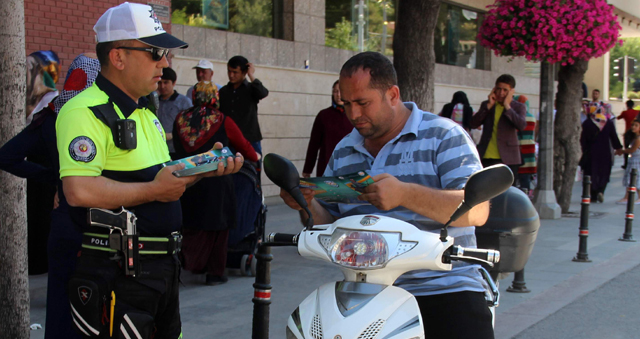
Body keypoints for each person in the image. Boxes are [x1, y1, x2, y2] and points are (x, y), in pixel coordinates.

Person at [56, 3, 242, 338]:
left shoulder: (146, 114)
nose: (164, 63)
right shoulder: (83, 110)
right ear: (118, 57)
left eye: (166, 54)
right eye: (155, 52)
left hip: (162, 270)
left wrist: (202, 168)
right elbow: (78, 189)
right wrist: (154, 191)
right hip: (118, 274)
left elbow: (161, 179)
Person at [280, 52, 492, 339]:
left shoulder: (444, 136)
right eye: (346, 104)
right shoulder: (344, 149)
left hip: (443, 288)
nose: (353, 114)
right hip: (363, 292)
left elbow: (477, 211)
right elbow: (328, 223)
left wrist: (405, 194)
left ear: (393, 94)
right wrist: (305, 204)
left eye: (363, 103)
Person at [173, 81, 259, 285]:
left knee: (191, 225)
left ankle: (187, 263)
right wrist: (254, 156)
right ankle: (214, 273)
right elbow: (245, 147)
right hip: (217, 181)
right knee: (218, 230)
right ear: (214, 97)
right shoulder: (221, 119)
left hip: (188, 180)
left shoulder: (180, 119)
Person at [469, 74, 527, 183]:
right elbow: (473, 123)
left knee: (507, 193)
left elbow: (521, 125)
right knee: (486, 190)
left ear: (511, 92)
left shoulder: (518, 107)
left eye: (505, 90)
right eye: (499, 89)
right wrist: (488, 107)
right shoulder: (487, 105)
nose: (501, 93)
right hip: (486, 155)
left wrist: (507, 106)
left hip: (508, 157)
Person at [218, 55, 269, 154]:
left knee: (253, 168)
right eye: (229, 71)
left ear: (244, 72)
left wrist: (251, 75)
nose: (231, 75)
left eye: (235, 72)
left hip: (249, 140)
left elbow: (263, 93)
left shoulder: (251, 88)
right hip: (229, 141)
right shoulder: (223, 91)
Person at [302, 80, 353, 178]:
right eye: (335, 91)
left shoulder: (354, 115)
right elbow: (314, 144)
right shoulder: (323, 115)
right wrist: (307, 169)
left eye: (341, 91)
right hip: (326, 167)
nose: (338, 95)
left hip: (349, 168)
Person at [579, 111, 622, 203]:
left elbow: (583, 140)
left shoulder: (587, 123)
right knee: (604, 172)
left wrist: (585, 150)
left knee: (590, 172)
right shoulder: (608, 123)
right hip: (605, 153)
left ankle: (593, 195)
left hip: (591, 153)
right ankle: (601, 190)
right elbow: (614, 136)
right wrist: (618, 148)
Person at [156, 67, 192, 159]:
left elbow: (190, 125)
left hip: (177, 149)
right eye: (160, 83)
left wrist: (173, 134)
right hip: (158, 149)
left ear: (174, 83)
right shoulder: (154, 102)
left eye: (166, 82)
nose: (162, 86)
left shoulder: (184, 102)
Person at [514, 95, 536, 195]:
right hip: (529, 149)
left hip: (518, 149)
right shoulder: (532, 117)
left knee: (515, 177)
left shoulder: (516, 117)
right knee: (526, 178)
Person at [615, 119, 640, 205]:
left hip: (636, 160)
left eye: (636, 125)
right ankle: (627, 197)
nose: (633, 127)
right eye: (633, 125)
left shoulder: (638, 139)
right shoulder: (635, 138)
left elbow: (632, 150)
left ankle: (637, 197)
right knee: (631, 179)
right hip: (633, 160)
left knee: (634, 179)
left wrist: (621, 151)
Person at [617, 99, 639, 169]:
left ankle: (625, 163)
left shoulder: (625, 113)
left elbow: (618, 118)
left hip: (628, 133)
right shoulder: (637, 112)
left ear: (627, 105)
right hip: (636, 133)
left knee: (627, 147)